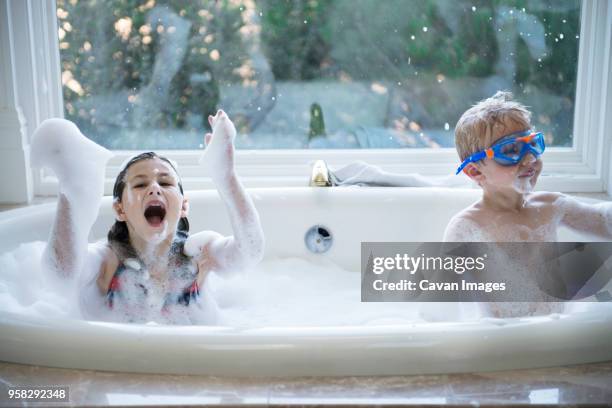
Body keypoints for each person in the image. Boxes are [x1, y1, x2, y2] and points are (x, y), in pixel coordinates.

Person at [31, 110, 264, 324]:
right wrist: (74, 191)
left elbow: (249, 252)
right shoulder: (107, 259)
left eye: (165, 182)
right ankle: (79, 181)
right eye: (141, 183)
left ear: (183, 206)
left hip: (194, 356)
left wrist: (227, 177)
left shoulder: (198, 253)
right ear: (120, 210)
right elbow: (61, 274)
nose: (154, 188)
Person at [442, 91, 612, 317]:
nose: (530, 158)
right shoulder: (466, 227)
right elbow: (446, 298)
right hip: (500, 340)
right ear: (475, 171)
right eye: (511, 150)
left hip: (553, 331)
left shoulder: (551, 206)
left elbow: (603, 220)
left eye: (533, 144)